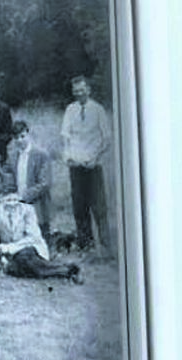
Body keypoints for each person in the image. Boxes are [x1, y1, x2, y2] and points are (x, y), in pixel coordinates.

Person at [0, 183, 83, 283]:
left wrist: (10, 247)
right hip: (13, 254)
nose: (12, 204)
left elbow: (33, 237)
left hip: (31, 248)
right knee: (17, 269)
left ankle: (62, 270)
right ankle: (64, 269)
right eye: (8, 200)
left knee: (25, 258)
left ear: (19, 197)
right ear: (0, 199)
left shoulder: (28, 210)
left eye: (15, 199)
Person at [61, 75, 111, 253]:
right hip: (76, 165)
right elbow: (66, 136)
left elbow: (106, 139)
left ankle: (106, 245)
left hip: (93, 165)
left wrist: (95, 157)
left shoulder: (98, 110)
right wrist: (69, 156)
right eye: (76, 91)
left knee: (99, 206)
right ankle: (85, 244)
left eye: (82, 90)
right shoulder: (70, 109)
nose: (79, 94)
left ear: (88, 90)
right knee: (79, 206)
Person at [9, 120, 52, 238]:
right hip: (18, 203)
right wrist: (12, 196)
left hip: (37, 203)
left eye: (22, 136)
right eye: (16, 138)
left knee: (42, 237)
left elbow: (45, 183)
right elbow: (10, 179)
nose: (20, 140)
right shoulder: (12, 156)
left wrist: (24, 196)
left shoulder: (41, 155)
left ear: (28, 133)